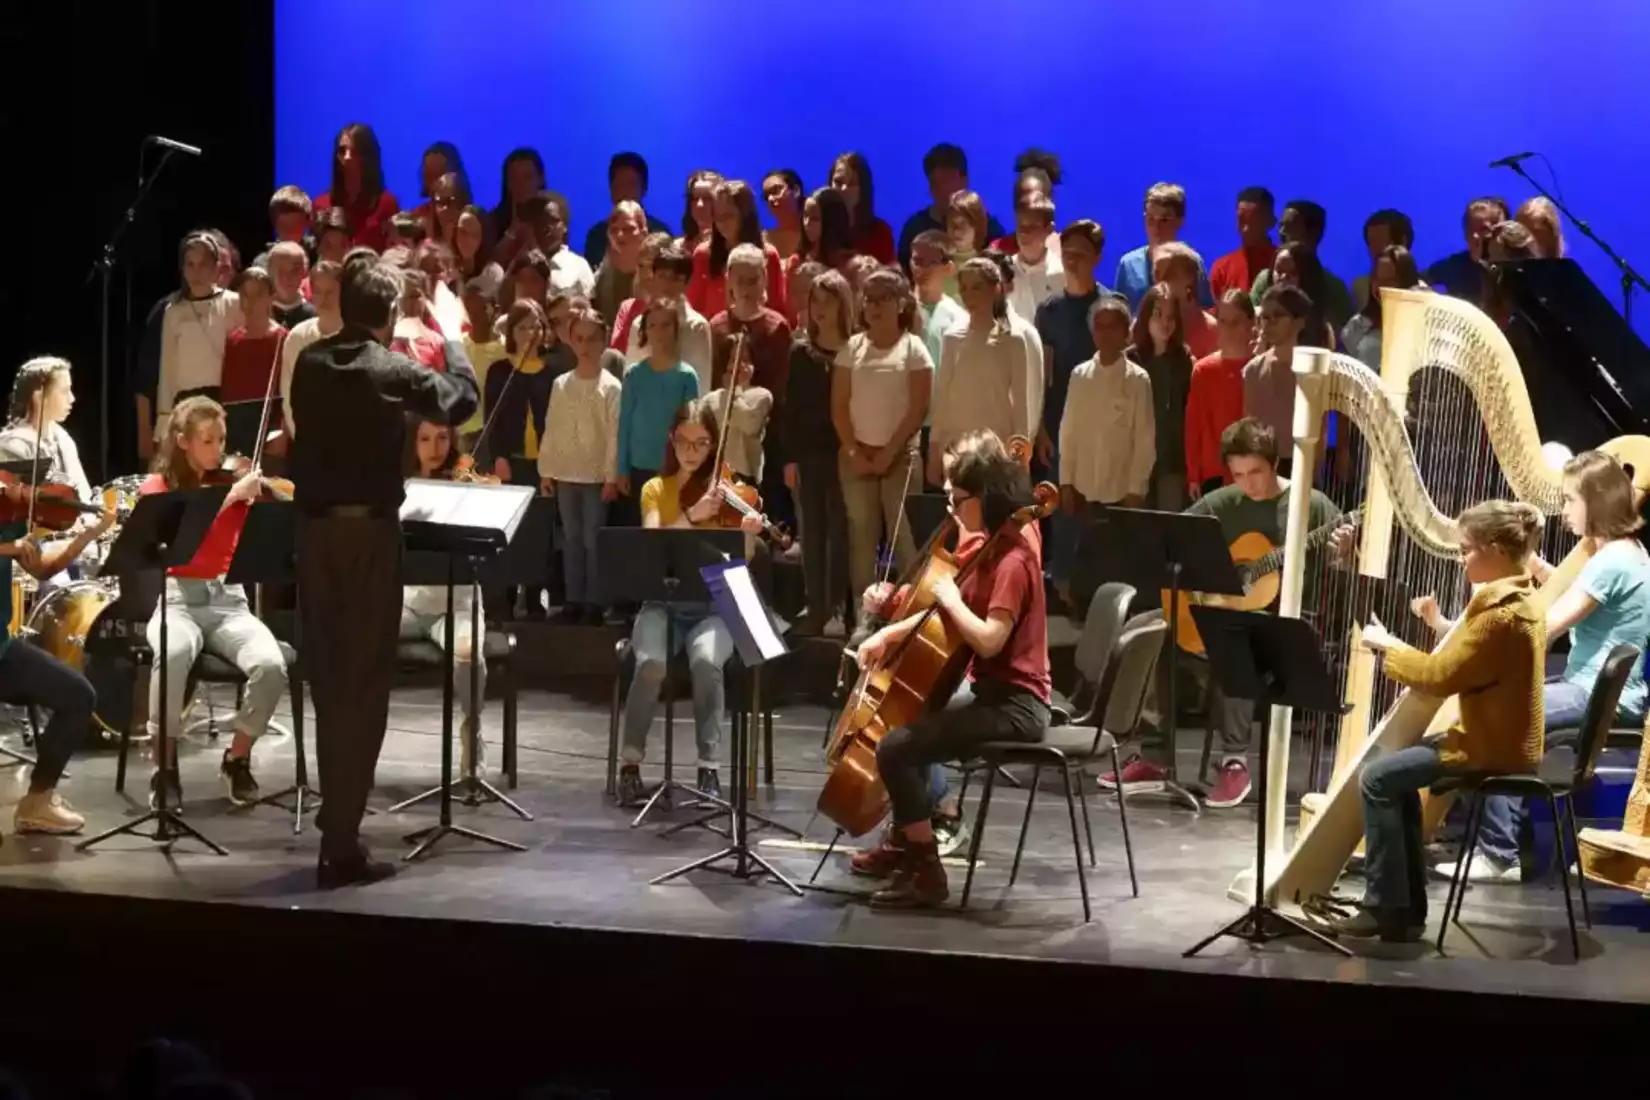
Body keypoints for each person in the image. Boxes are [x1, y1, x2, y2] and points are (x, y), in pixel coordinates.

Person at [290, 262, 478, 888]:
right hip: (369, 538)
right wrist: (449, 331)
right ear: (392, 311)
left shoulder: (310, 364)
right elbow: (462, 402)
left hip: (315, 538)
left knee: (330, 685)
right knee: (365, 687)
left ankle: (337, 831)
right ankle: (340, 842)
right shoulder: (391, 369)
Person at [1420, 451, 1650, 883]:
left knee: (1500, 719)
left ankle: (1497, 853)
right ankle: (1495, 837)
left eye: (1569, 500)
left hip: (1599, 697)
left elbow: (1545, 627)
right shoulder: (1625, 553)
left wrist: (1466, 638)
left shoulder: (1612, 562)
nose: (1564, 510)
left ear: (1594, 502)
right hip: (1602, 689)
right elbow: (1561, 589)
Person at [847, 438, 1051, 906]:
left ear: (986, 498)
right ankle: (905, 843)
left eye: (959, 501)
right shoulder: (989, 550)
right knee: (903, 725)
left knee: (897, 748)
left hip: (1018, 706)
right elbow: (936, 618)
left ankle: (925, 872)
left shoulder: (1015, 560)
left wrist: (952, 598)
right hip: (994, 696)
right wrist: (885, 636)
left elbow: (989, 639)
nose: (953, 510)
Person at [1102, 418, 1341, 807]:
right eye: (1239, 474)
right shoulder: (1221, 503)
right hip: (1221, 615)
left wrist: (1342, 551)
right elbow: (1175, 544)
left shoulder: (1309, 505)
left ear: (1274, 464)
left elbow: (1341, 561)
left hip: (1286, 626)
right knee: (1150, 631)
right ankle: (1154, 757)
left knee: (1239, 633)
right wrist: (1202, 590)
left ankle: (1233, 762)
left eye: (1256, 473)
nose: (1248, 484)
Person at [1336, 499, 1546, 941]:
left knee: (1376, 777)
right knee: (1394, 776)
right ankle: (1403, 907)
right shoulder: (1519, 598)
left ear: (1494, 549)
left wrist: (1386, 645)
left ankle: (1387, 907)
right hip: (1499, 738)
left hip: (1492, 748)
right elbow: (1457, 665)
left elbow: (1438, 677)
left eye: (1466, 549)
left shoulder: (1500, 614)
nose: (1460, 558)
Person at [138, 396, 290, 809]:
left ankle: (237, 758)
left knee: (270, 664)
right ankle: (164, 768)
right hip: (177, 599)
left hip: (228, 599)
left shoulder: (232, 481)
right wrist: (230, 498)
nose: (217, 450)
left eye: (221, 439)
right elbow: (178, 535)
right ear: (183, 442)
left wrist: (272, 496)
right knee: (173, 654)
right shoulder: (160, 487)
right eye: (207, 440)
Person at [615, 399, 766, 807]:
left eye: (702, 444)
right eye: (684, 442)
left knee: (706, 662)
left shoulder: (729, 492)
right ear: (672, 440)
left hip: (714, 607)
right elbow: (651, 546)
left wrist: (748, 535)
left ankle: (709, 768)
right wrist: (692, 515)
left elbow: (741, 564)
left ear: (714, 445)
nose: (692, 452)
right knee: (650, 663)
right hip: (662, 605)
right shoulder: (655, 489)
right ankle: (630, 765)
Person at [0, 474, 113, 836]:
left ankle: (37, 802)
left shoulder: (7, 512)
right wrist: (8, 547)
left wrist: (88, 534)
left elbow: (44, 567)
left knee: (77, 695)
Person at [834, 268, 933, 618]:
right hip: (855, 457)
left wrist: (888, 453)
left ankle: (912, 619)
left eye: (884, 299)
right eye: (869, 299)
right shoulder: (851, 348)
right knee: (862, 541)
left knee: (905, 539)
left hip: (900, 458)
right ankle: (864, 620)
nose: (875, 307)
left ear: (902, 303)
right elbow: (839, 408)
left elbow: (918, 409)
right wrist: (854, 452)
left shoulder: (914, 349)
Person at [400, 414, 489, 774]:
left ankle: (472, 732)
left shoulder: (465, 485)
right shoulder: (399, 488)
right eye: (425, 439)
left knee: (468, 655)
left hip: (459, 604)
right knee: (358, 635)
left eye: (442, 438)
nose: (436, 448)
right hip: (409, 603)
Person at [1054, 297, 1153, 605]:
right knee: (1085, 560)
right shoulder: (1080, 375)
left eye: (1114, 327)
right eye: (1100, 326)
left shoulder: (1138, 380)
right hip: (1084, 487)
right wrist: (1066, 482)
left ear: (1126, 332)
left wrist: (1136, 488)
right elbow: (1068, 432)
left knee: (1119, 563)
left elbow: (1145, 439)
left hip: (1120, 490)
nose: (1106, 333)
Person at [540, 307, 622, 625]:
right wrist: (547, 470)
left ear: (603, 342)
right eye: (580, 339)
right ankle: (573, 598)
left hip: (595, 475)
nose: (586, 346)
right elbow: (552, 426)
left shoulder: (611, 387)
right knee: (571, 538)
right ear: (571, 342)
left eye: (592, 339)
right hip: (565, 472)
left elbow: (615, 434)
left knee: (593, 538)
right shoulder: (561, 384)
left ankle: (595, 601)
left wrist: (611, 476)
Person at [784, 270, 854, 636]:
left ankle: (838, 608)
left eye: (829, 301)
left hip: (846, 453)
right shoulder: (800, 351)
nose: (821, 309)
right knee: (812, 531)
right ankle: (815, 606)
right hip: (810, 454)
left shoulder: (856, 348)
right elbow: (790, 408)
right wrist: (790, 459)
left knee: (841, 533)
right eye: (815, 301)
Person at [930, 258, 1034, 484]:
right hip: (957, 445)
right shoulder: (952, 338)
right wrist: (934, 449)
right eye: (964, 288)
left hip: (997, 445)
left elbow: (1020, 404)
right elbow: (942, 398)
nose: (969, 295)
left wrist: (1021, 455)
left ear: (995, 289)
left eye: (977, 287)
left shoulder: (1013, 341)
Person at [614, 298, 703, 527]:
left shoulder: (687, 376)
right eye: (652, 325)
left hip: (673, 468)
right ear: (644, 331)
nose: (659, 332)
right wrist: (621, 469)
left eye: (665, 325)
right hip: (639, 466)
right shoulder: (634, 375)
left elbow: (693, 424)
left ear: (676, 329)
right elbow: (624, 424)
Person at [154, 232, 242, 449]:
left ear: (216, 267)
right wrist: (164, 419)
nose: (197, 272)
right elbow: (168, 369)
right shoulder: (174, 311)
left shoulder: (232, 303)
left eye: (203, 264)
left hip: (223, 398)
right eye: (190, 265)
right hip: (186, 403)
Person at [1033, 220, 1107, 474]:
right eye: (1068, 254)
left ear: (1097, 257)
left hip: (1102, 422)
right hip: (1059, 423)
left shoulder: (1112, 307)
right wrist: (1040, 429)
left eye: (1081, 254)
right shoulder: (1048, 311)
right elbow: (1042, 374)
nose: (1073, 261)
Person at [1185, 291, 1257, 497]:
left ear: (1250, 323)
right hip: (1213, 474)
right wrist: (1193, 475)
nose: (1228, 328)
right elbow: (1193, 426)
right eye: (1223, 321)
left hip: (1252, 472)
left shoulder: (1259, 368)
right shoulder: (1203, 370)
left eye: (1235, 321)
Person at [1131, 284, 1195, 511]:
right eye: (1158, 315)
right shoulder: (1130, 360)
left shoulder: (1184, 360)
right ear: (1145, 316)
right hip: (1135, 463)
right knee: (1139, 529)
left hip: (1172, 461)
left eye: (1170, 317)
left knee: (1170, 526)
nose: (1165, 323)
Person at [689, 180, 788, 322]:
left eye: (728, 216)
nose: (722, 223)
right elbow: (694, 308)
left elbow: (778, 309)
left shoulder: (768, 255)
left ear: (745, 215)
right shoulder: (703, 255)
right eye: (717, 217)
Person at [896, 143, 1006, 270]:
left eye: (946, 180)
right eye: (934, 183)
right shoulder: (914, 229)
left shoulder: (991, 230)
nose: (941, 188)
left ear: (964, 179)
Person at [0, 357, 93, 503]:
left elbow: (83, 496)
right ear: (38, 396)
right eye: (64, 391)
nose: (72, 398)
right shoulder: (12, 445)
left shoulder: (62, 438)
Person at [1243, 284, 1313, 469]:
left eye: (1278, 315)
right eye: (1265, 317)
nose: (1270, 322)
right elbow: (1250, 427)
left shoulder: (1313, 371)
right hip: (1265, 466)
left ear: (1299, 322)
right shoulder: (1252, 371)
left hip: (1303, 465)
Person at [1249, 200, 1352, 325]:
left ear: (1315, 235)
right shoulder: (1265, 280)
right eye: (1281, 225)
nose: (1282, 232)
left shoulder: (1333, 289)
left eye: (1290, 226)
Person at [1115, 183, 1211, 310]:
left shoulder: (1192, 263)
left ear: (1180, 221)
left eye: (1164, 220)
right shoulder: (1128, 265)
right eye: (1151, 219)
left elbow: (1205, 311)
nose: (1156, 227)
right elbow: (1120, 315)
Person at [280, 260, 343, 442]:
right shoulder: (297, 337)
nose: (323, 299)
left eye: (330, 292)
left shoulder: (359, 336)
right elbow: (289, 397)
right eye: (318, 291)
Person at [313, 123, 399, 251]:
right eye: (342, 151)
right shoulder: (322, 204)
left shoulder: (386, 204)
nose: (347, 158)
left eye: (355, 151)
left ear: (368, 157)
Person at [582, 152, 672, 266]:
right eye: (619, 185)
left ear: (644, 188)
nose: (625, 192)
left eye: (631, 185)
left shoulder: (660, 233)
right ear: (611, 190)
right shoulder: (597, 236)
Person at [1341, 245, 1422, 370]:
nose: (1380, 287)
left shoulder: (1423, 327)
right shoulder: (1356, 326)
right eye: (1377, 279)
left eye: (1390, 280)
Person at [1423, 196, 1509, 303]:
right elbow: (1415, 282)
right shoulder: (1452, 267)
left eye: (1483, 229)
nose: (1475, 236)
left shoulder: (1519, 271)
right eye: (1470, 229)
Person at [1153, 242, 1219, 359]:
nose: (1158, 282)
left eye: (1168, 274)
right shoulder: (1141, 328)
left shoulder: (1212, 333)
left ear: (1189, 278)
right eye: (1155, 274)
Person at [1208, 187, 1278, 298]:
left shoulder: (1283, 266)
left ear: (1271, 222)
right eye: (1242, 220)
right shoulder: (1222, 269)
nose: (1246, 229)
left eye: (1255, 221)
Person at [1005, 193, 1063, 325]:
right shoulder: (1005, 272)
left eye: (1032, 227)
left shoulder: (1061, 274)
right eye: (1020, 226)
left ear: (1049, 229)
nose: (1024, 233)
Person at [830, 151, 896, 264]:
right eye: (838, 182)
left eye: (851, 183)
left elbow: (889, 276)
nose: (844, 189)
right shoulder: (818, 227)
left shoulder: (880, 233)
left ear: (863, 190)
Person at [592, 200, 648, 324]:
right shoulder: (601, 276)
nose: (620, 235)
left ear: (643, 233)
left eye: (628, 229)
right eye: (614, 230)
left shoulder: (656, 273)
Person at [1352, 209, 1415, 311]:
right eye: (1371, 242)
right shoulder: (1360, 289)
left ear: (1403, 241)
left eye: (1381, 241)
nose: (1375, 249)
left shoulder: (1432, 292)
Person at [761, 168, 806, 264]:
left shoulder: (814, 235)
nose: (770, 199)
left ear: (796, 191)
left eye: (776, 191)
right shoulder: (763, 241)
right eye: (766, 196)